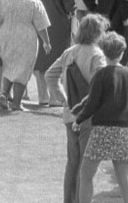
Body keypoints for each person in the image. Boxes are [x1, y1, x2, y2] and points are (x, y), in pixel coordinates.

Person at [74, 32, 128, 203]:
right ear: (122, 52)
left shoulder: (100, 75)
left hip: (101, 130)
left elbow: (92, 103)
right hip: (123, 130)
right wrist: (127, 108)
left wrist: (78, 120)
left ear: (103, 52)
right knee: (124, 180)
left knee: (86, 176)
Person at [45, 13, 108, 203]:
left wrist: (63, 99)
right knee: (85, 165)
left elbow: (49, 75)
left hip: (70, 113)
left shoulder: (69, 52)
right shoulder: (97, 55)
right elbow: (101, 84)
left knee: (72, 163)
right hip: (89, 114)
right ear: (98, 33)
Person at [0, 0, 52, 112]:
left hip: (7, 37)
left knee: (9, 68)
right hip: (27, 39)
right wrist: (46, 42)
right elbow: (42, 24)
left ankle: (4, 93)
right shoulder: (33, 1)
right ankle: (16, 103)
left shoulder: (3, 0)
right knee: (23, 72)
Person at [31, 0, 76, 106]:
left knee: (42, 62)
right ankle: (55, 97)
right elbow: (70, 5)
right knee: (57, 63)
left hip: (40, 25)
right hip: (58, 26)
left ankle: (43, 96)